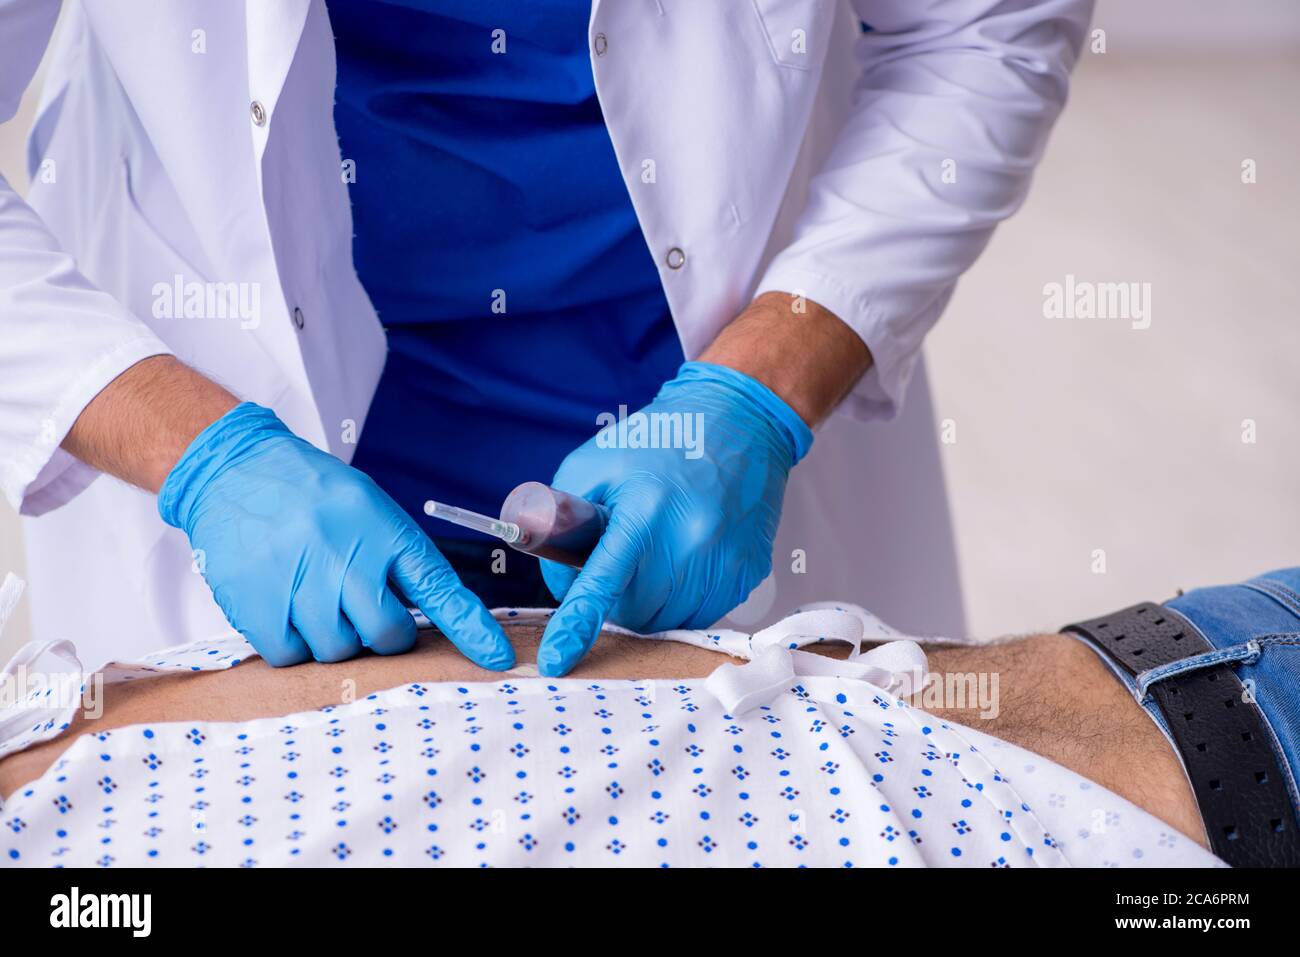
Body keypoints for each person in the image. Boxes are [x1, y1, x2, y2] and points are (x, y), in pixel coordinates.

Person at [0, 0, 1093, 673]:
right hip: (242, 427)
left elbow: (982, 26)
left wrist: (754, 396)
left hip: (714, 420)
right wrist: (199, 456)